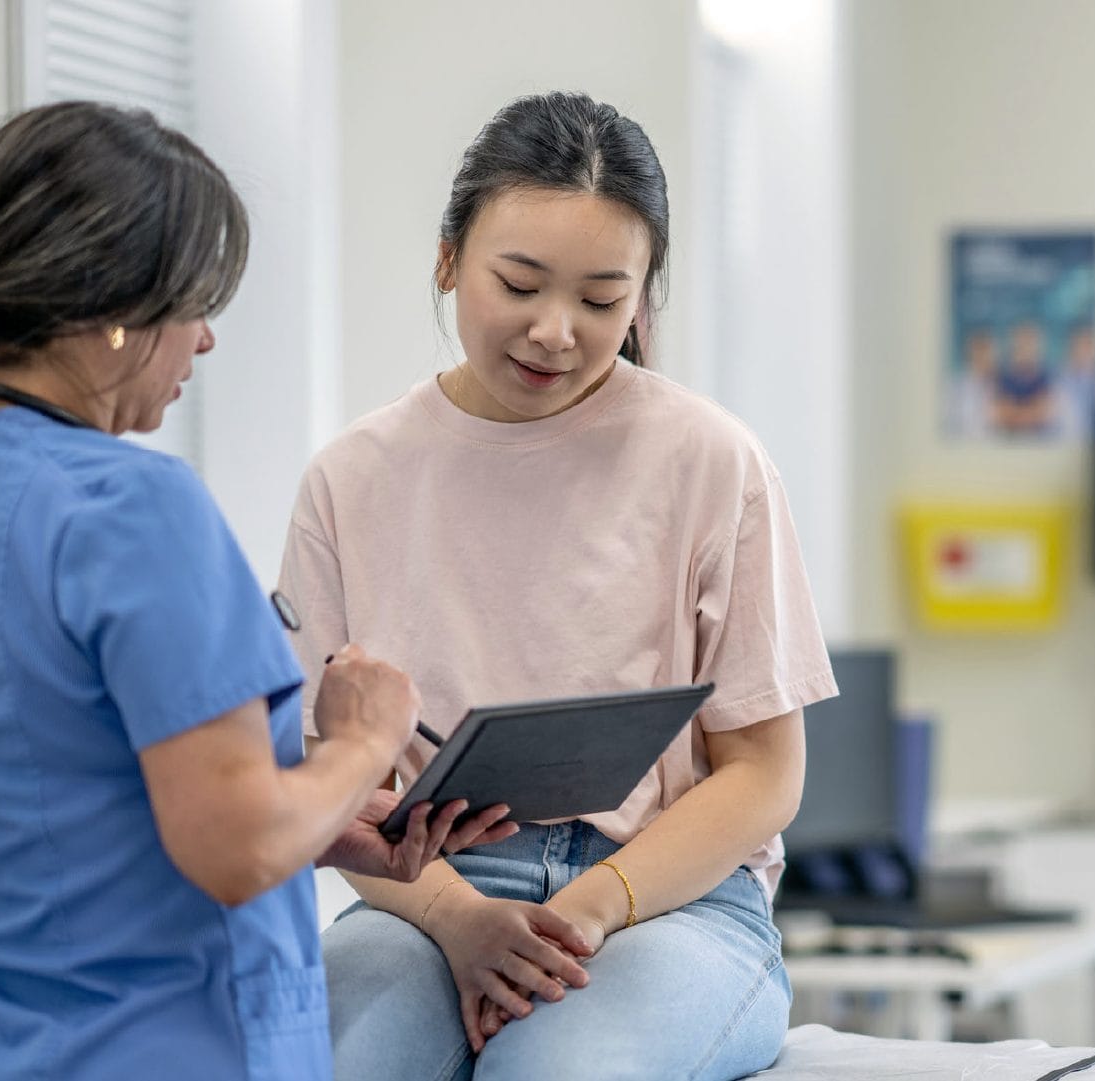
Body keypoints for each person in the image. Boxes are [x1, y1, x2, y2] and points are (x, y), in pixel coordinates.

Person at [0, 101, 513, 1081]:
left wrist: (317, 824)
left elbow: (61, 822)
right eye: (196, 306)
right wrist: (360, 737)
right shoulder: (133, 508)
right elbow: (233, 852)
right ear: (118, 311)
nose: (203, 343)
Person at [278, 91, 838, 1081]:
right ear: (449, 259)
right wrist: (460, 918)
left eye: (599, 299)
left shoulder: (712, 460)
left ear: (642, 297)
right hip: (424, 897)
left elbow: (763, 774)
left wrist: (583, 910)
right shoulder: (352, 476)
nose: (554, 332)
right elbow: (322, 777)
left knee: (553, 1071)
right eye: (520, 283)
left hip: (670, 899)